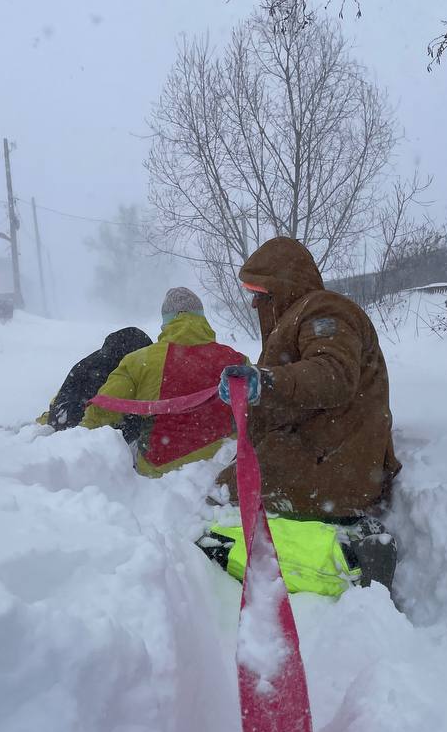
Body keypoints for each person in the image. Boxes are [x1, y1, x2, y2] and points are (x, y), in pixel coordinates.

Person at [213, 237, 401, 589]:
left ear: (283, 287)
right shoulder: (301, 318)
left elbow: (332, 374)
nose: (254, 302)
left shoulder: (324, 310)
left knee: (214, 524)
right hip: (320, 458)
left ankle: (345, 557)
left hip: (326, 463)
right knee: (226, 496)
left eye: (260, 292)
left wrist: (265, 382)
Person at [80, 287, 247, 476]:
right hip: (225, 462)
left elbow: (104, 408)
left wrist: (76, 438)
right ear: (202, 318)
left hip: (160, 468)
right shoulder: (236, 360)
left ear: (166, 322)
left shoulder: (140, 360)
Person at [38, 327, 152, 431]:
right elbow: (103, 410)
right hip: (78, 429)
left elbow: (67, 392)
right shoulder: (118, 372)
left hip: (60, 416)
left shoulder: (95, 360)